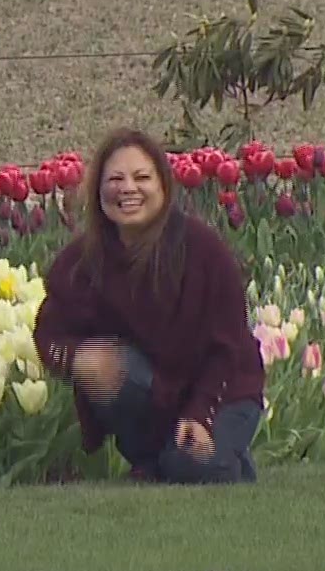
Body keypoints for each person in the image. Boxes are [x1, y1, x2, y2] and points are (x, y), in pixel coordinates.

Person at [33, 128, 267, 484]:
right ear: (98, 190)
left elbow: (227, 347)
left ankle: (186, 461)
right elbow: (48, 334)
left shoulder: (203, 250)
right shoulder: (83, 260)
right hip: (150, 390)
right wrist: (77, 356)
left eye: (142, 177)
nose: (128, 188)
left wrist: (200, 414)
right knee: (109, 366)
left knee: (193, 466)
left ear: (163, 186)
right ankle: (153, 459)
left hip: (222, 391)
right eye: (115, 179)